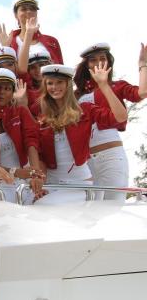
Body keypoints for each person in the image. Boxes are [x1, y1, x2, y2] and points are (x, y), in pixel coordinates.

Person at [36, 63, 128, 205]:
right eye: (50, 83)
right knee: (33, 206)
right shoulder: (43, 120)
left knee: (43, 206)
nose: (54, 87)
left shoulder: (84, 110)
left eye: (59, 82)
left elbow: (121, 117)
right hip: (51, 184)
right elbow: (41, 157)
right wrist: (40, 181)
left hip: (78, 184)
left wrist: (104, 85)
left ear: (68, 85)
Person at [74, 43, 147, 200]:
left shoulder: (117, 86)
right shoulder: (75, 95)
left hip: (111, 156)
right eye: (93, 60)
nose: (98, 62)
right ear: (86, 65)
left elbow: (143, 92)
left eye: (102, 58)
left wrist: (143, 65)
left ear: (109, 62)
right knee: (87, 209)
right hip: (85, 162)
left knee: (113, 206)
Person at [0, 68, 43, 203]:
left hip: (22, 179)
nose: (1, 92)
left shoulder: (20, 111)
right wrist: (14, 172)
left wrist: (36, 174)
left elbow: (31, 142)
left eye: (7, 88)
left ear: (13, 92)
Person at [0, 0, 63, 64]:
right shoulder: (10, 43)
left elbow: (61, 68)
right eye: (23, 9)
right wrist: (6, 48)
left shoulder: (52, 41)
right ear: (16, 15)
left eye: (32, 9)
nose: (29, 11)